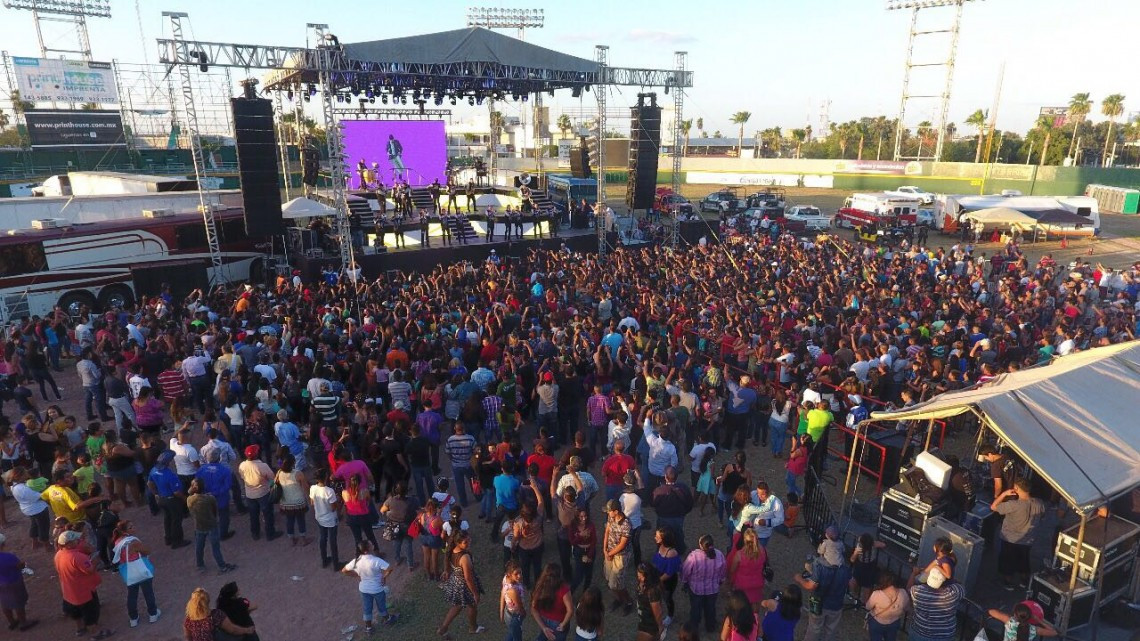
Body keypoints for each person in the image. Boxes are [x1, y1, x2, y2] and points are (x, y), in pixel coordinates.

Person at [794, 527, 852, 641]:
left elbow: (811, 586)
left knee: (814, 629)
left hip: (819, 603)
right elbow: (852, 583)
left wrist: (799, 579)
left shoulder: (819, 565)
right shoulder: (845, 568)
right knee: (831, 630)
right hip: (836, 604)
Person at [55, 529, 114, 639]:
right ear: (68, 544)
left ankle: (80, 629)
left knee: (76, 612)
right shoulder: (77, 557)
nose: (78, 540)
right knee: (91, 613)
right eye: (75, 540)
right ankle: (95, 634)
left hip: (69, 591)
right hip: (84, 591)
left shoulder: (58, 555)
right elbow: (90, 570)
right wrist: (96, 559)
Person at [991, 478, 1046, 590]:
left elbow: (993, 507)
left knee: (1007, 562)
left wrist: (1004, 494)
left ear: (1016, 488)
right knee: (1024, 562)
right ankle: (1024, 582)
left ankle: (1008, 583)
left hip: (1011, 539)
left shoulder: (1013, 504)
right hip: (1028, 540)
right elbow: (1043, 516)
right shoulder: (1039, 503)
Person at [110, 520, 161, 628]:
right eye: (130, 527)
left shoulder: (117, 542)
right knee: (148, 593)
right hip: (141, 570)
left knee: (132, 595)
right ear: (124, 532)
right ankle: (153, 614)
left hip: (129, 573)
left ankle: (133, 618)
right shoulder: (133, 542)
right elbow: (147, 551)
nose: (134, 527)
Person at [437, 531, 486, 638]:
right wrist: (475, 593)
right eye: (465, 542)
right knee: (472, 605)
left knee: (457, 605)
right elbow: (468, 578)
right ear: (458, 543)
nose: (469, 542)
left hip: (456, 581)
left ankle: (443, 627)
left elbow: (450, 566)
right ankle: (473, 628)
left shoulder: (452, 551)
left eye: (469, 539)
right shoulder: (464, 558)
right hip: (465, 585)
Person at [341, 540, 397, 632]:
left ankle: (368, 627)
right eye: (370, 545)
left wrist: (357, 575)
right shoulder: (376, 560)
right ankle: (387, 619)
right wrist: (384, 577)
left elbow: (344, 570)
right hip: (377, 589)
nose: (372, 545)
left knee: (367, 607)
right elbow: (389, 568)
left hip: (364, 589)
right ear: (367, 550)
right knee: (381, 605)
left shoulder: (356, 561)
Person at [186, 479, 237, 575]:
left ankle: (200, 564)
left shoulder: (189, 499)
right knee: (215, 548)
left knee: (199, 546)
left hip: (199, 526)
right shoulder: (209, 498)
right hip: (211, 525)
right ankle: (222, 566)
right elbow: (214, 510)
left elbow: (191, 511)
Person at [681, 534, 727, 634]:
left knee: (695, 609)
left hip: (696, 590)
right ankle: (710, 627)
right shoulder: (719, 555)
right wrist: (721, 580)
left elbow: (685, 571)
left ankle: (694, 627)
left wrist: (684, 582)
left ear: (701, 545)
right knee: (711, 608)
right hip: (713, 589)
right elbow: (723, 571)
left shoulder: (693, 556)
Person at [906, 567, 964, 641]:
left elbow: (908, 588)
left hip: (919, 633)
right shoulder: (954, 593)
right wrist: (949, 577)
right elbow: (960, 584)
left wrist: (913, 574)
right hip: (944, 636)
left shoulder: (917, 591)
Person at [147, 451, 189, 548]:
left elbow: (149, 483)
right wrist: (185, 498)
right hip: (172, 500)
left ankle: (168, 538)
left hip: (162, 498)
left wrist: (156, 493)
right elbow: (176, 492)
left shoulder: (153, 470)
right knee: (176, 520)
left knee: (167, 518)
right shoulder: (170, 475)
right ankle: (177, 541)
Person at [238, 445, 280, 542]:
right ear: (256, 454)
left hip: (250, 494)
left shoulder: (242, 465)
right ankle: (270, 534)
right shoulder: (262, 466)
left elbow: (242, 477)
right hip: (263, 493)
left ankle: (255, 534)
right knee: (268, 514)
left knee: (253, 515)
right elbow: (272, 479)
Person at [183, 587, 255, 641]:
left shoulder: (188, 620)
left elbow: (188, 638)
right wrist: (247, 630)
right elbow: (233, 630)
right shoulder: (216, 615)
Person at [602, 498, 634, 614]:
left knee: (617, 583)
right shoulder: (610, 518)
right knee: (609, 580)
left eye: (609, 511)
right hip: (609, 552)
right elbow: (607, 532)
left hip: (621, 556)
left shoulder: (626, 524)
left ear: (616, 511)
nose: (607, 513)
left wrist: (609, 553)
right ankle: (618, 599)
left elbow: (622, 544)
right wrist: (605, 550)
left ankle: (628, 601)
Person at [0, 533, 37, 631]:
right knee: (18, 603)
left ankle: (12, 622)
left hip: (1, 584)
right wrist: (23, 564)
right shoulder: (9, 557)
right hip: (13, 582)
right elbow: (20, 566)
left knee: (5, 604)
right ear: (2, 544)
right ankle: (23, 622)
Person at [309, 467, 342, 570]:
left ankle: (324, 560)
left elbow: (312, 502)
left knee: (323, 538)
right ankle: (336, 564)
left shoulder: (313, 488)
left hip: (319, 517)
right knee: (333, 541)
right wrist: (338, 501)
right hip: (330, 519)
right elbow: (333, 508)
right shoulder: (329, 491)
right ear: (326, 477)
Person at [531, 563, 573, 641]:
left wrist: (543, 627)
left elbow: (533, 609)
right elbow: (570, 610)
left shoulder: (540, 586)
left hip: (543, 619)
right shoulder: (564, 590)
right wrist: (563, 624)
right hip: (558, 622)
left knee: (544, 635)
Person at [379, 482, 417, 567]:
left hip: (394, 526)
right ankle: (410, 564)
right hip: (408, 525)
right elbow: (418, 509)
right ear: (406, 491)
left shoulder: (391, 500)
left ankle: (397, 560)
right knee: (408, 544)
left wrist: (389, 514)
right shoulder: (412, 500)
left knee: (397, 543)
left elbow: (382, 510)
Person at [866, 570, 910, 641]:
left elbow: (868, 607)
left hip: (877, 622)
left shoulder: (877, 594)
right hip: (894, 622)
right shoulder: (903, 593)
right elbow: (907, 608)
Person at [729, 528, 768, 606]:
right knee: (755, 603)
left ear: (745, 540)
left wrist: (730, 582)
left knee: (741, 604)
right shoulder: (763, 551)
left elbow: (732, 570)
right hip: (758, 581)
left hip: (742, 583)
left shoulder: (739, 555)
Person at [651, 526, 681, 627]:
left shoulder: (671, 553)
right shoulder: (660, 547)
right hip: (659, 576)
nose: (655, 537)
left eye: (657, 536)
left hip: (668, 581)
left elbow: (669, 573)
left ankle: (670, 615)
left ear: (663, 539)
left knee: (668, 598)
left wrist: (657, 581)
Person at [987, 603, 1058, 641]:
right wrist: (1039, 620)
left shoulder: (1009, 621)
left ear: (1015, 615)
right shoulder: (1033, 629)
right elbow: (1054, 633)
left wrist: (1007, 616)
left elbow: (991, 611)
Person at [634, 563, 665, 641]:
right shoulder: (642, 584)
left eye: (642, 576)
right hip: (643, 619)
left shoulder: (652, 591)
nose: (641, 579)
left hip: (650, 624)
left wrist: (660, 627)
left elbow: (657, 612)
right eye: (638, 576)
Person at [500, 560, 527, 641]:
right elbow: (519, 606)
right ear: (509, 574)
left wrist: (501, 612)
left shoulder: (505, 579)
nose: (519, 576)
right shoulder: (513, 590)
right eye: (516, 574)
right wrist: (523, 614)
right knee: (517, 637)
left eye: (520, 572)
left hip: (508, 612)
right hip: (515, 616)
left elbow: (502, 595)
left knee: (512, 634)